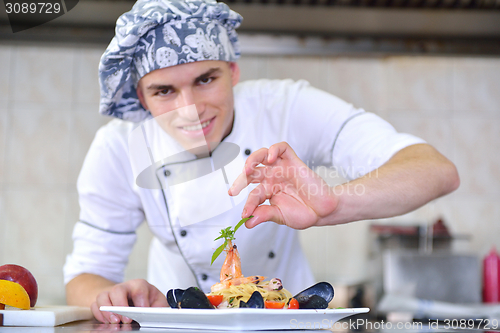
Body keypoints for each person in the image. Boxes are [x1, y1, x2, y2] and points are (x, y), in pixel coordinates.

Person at [64, 0, 460, 324]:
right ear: (142, 98)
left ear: (233, 71)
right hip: (179, 327)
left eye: (206, 80)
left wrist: (332, 205)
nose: (190, 110)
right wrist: (107, 293)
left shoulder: (285, 108)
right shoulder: (118, 148)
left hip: (290, 325)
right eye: (164, 91)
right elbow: (84, 274)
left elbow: (435, 170)